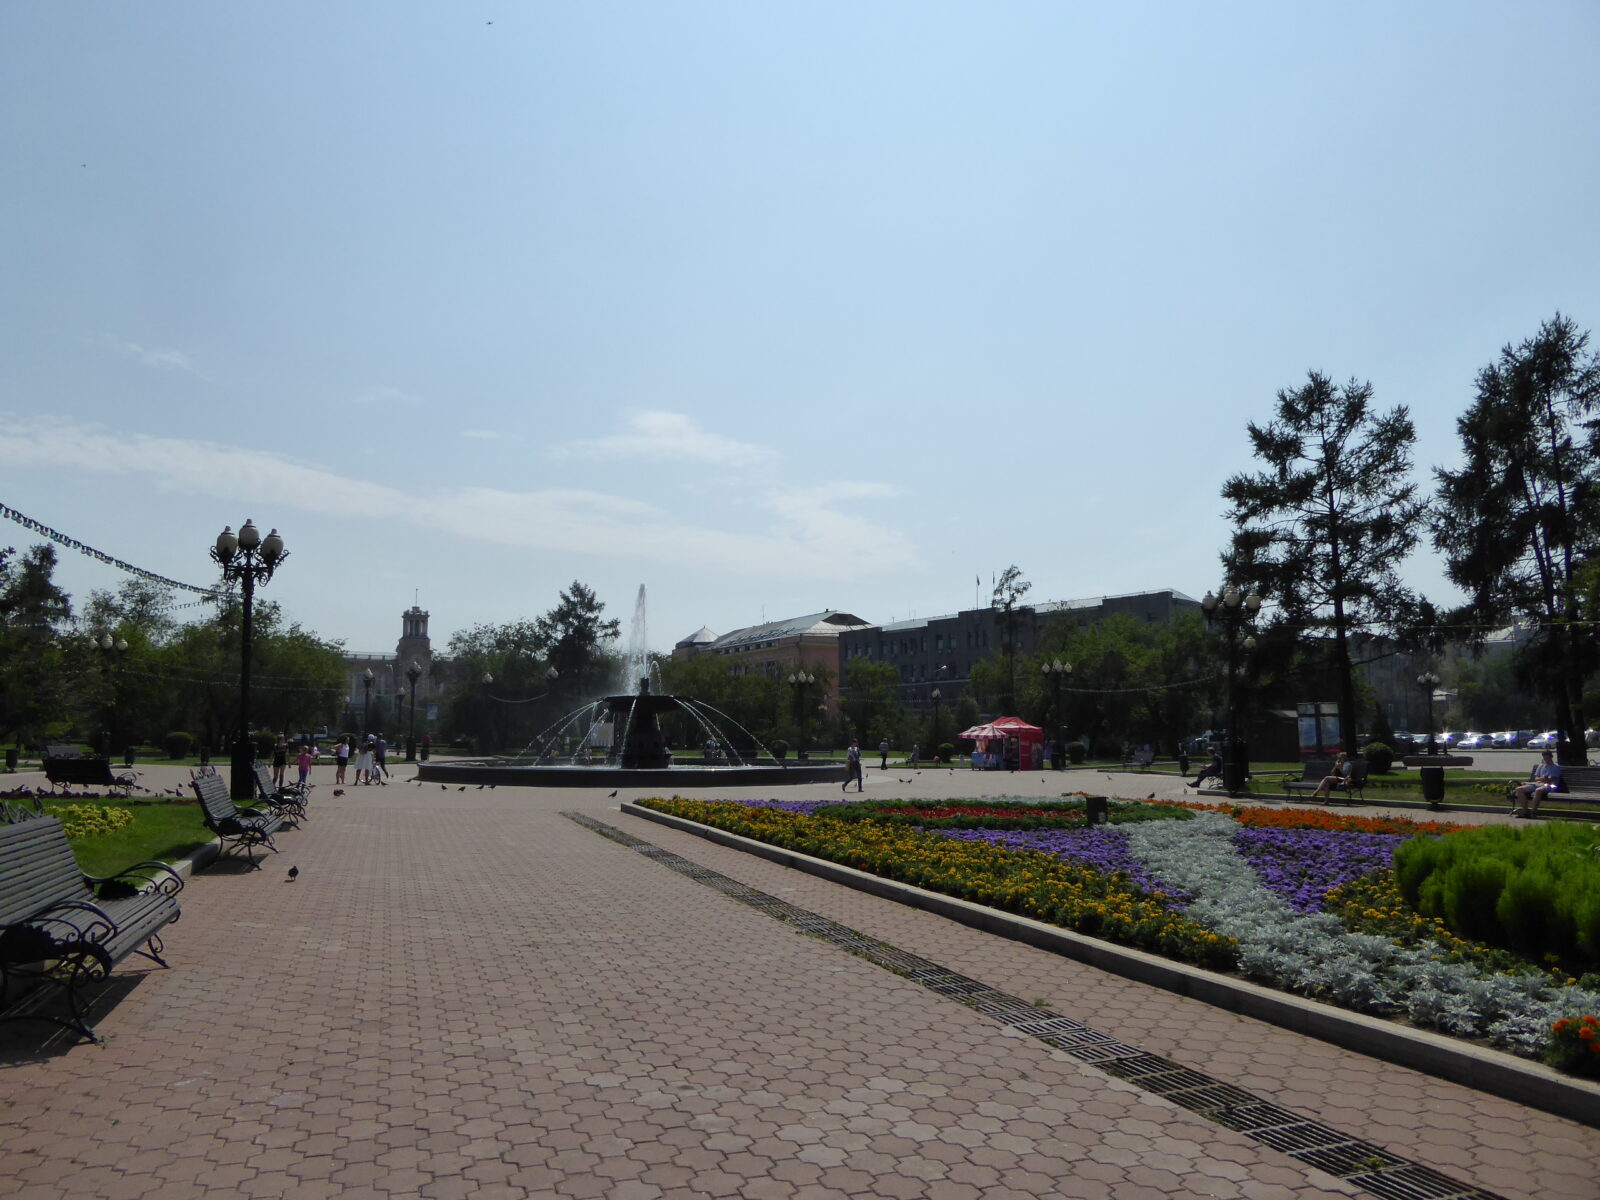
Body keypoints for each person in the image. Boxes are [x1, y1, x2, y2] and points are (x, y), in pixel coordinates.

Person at [1511, 750, 1564, 817]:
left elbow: (1551, 779)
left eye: (1547, 758)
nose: (1546, 760)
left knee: (1538, 790)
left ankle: (1533, 812)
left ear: (1551, 757)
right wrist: (1543, 779)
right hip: (1537, 784)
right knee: (1519, 789)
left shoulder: (1556, 767)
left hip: (1551, 785)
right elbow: (1536, 778)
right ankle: (1526, 811)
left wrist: (1542, 779)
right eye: (1544, 758)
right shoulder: (1541, 766)